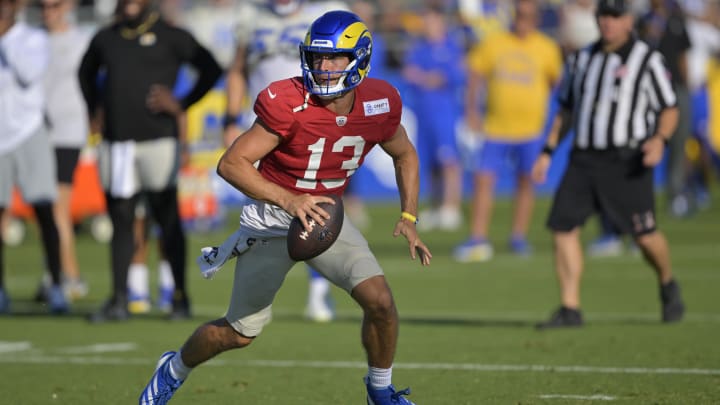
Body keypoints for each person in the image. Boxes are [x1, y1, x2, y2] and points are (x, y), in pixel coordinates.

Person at [138, 10, 430, 405]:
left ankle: (380, 392)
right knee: (238, 333)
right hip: (272, 219)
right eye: (316, 58)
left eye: (334, 58)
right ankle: (173, 369)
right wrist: (290, 200)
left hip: (325, 217)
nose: (323, 68)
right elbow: (231, 163)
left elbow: (405, 154)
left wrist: (408, 216)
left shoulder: (380, 101)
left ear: (359, 58)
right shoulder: (288, 100)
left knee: (380, 302)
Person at [532, 0, 686, 328]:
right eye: (603, 16)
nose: (608, 23)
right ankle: (570, 307)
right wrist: (547, 151)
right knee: (562, 227)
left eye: (615, 17)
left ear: (629, 20)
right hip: (584, 158)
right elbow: (566, 109)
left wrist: (660, 139)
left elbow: (669, 107)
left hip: (627, 159)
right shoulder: (581, 59)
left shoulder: (647, 60)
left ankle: (667, 282)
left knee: (645, 235)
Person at [78, 0, 223, 322]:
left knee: (166, 218)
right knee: (122, 219)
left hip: (159, 140)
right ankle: (118, 299)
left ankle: (180, 298)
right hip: (118, 145)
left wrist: (181, 103)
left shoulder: (170, 35)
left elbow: (211, 67)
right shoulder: (107, 37)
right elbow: (84, 73)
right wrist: (94, 108)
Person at [223, 0, 349, 323]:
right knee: (264, 210)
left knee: (317, 209)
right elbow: (238, 69)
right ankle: (249, 299)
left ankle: (318, 290)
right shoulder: (249, 15)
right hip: (265, 125)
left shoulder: (326, 11)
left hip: (313, 122)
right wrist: (229, 118)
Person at [453, 0, 562, 262]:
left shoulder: (546, 47)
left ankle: (518, 237)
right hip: (495, 127)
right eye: (519, 15)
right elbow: (475, 76)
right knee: (483, 180)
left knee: (526, 182)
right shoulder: (495, 43)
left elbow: (555, 82)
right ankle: (478, 238)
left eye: (527, 16)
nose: (522, 20)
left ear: (536, 19)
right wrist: (471, 111)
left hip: (531, 129)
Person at [0, 0, 68, 314]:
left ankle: (56, 285)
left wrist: (5, 37)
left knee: (43, 209)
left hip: (29, 132)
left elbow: (28, 74)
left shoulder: (32, 38)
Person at [37, 0, 91, 301]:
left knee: (58, 207)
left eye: (54, 5)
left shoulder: (81, 40)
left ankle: (69, 275)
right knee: (44, 208)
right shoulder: (33, 39)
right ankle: (54, 273)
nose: (48, 12)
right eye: (43, 6)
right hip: (35, 133)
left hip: (66, 133)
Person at [402, 2, 465, 232]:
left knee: (448, 160)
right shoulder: (419, 48)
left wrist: (427, 77)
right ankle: (437, 206)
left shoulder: (451, 47)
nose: (427, 25)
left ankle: (451, 207)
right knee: (427, 163)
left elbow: (450, 77)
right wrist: (428, 78)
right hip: (423, 112)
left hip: (444, 112)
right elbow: (409, 73)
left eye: (431, 20)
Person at [638, 0, 694, 218]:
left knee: (680, 144)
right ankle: (642, 199)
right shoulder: (643, 21)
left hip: (676, 87)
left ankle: (676, 195)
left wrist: (686, 86)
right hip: (650, 89)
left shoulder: (676, 20)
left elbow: (683, 55)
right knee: (646, 143)